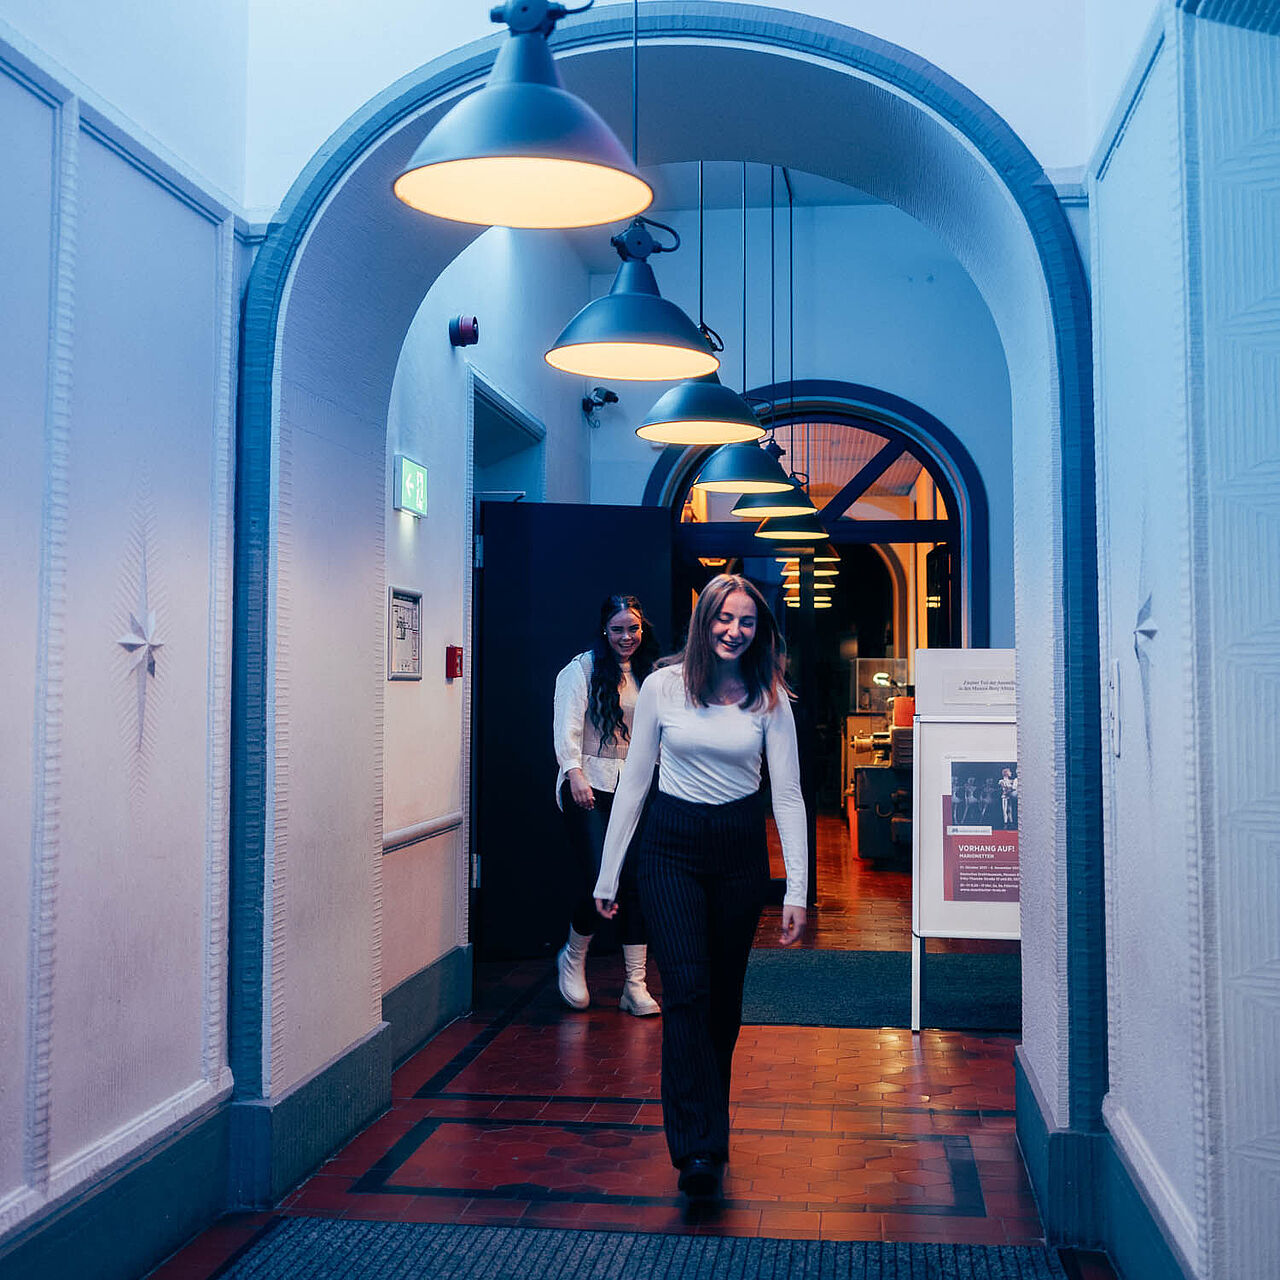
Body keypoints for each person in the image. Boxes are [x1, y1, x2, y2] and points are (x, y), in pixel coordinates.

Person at [593, 574, 807, 1200]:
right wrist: (609, 874)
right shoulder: (662, 687)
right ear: (702, 621)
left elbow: (788, 796)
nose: (733, 631)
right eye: (723, 618)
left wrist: (796, 887)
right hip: (671, 849)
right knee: (685, 991)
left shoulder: (769, 697)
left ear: (758, 629)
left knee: (722, 1001)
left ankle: (709, 1121)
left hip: (739, 852)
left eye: (745, 621)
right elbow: (634, 784)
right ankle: (699, 1150)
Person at [553, 594, 661, 1015]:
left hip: (635, 788)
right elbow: (567, 727)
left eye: (632, 628)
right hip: (589, 787)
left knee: (636, 882)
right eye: (618, 628)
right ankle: (573, 956)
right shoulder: (580, 669)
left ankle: (634, 985)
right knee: (603, 879)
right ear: (605, 629)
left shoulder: (652, 674)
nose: (626, 636)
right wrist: (573, 773)